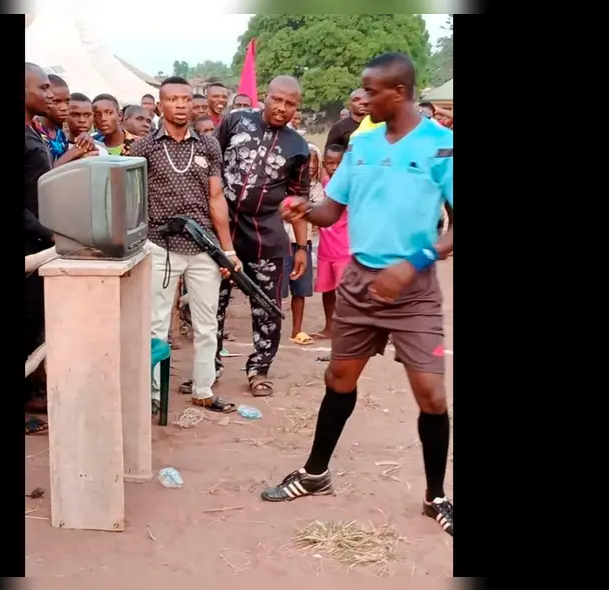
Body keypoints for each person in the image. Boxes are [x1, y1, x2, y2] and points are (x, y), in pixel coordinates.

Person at [262, 53, 454, 537]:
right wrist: (303, 208)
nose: (363, 98)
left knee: (431, 394)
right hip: (359, 285)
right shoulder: (362, 145)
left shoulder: (442, 147)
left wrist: (414, 263)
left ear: (401, 92)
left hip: (414, 290)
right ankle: (315, 473)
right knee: (339, 378)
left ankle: (436, 496)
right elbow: (332, 209)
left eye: (372, 91)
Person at [130, 77, 242, 414]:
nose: (180, 105)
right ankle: (152, 394)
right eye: (172, 99)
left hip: (202, 246)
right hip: (160, 244)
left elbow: (216, 198)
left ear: (196, 106)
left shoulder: (208, 145)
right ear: (160, 105)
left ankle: (203, 390)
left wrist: (228, 250)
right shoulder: (144, 147)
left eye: (185, 100)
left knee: (207, 324)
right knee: (156, 324)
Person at [214, 75, 310, 397]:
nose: (282, 108)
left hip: (265, 235)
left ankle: (259, 370)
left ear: (297, 106)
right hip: (222, 231)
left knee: (267, 307)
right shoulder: (235, 121)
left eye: (290, 103)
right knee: (213, 304)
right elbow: (213, 168)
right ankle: (208, 369)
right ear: (265, 97)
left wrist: (301, 248)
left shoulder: (298, 147)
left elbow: (298, 201)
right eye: (277, 99)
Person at [23, 63, 55, 435]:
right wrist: (49, 233)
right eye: (42, 87)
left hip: (36, 240)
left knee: (31, 325)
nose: (48, 94)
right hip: (29, 242)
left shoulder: (34, 132)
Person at [283, 144, 324, 346]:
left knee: (300, 290)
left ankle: (296, 330)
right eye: (307, 163)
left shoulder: (316, 189)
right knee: (277, 290)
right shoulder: (283, 186)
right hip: (282, 242)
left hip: (302, 243)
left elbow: (317, 212)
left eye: (314, 163)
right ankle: (269, 327)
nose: (310, 167)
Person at [312, 144, 348, 339]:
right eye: (331, 163)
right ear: (324, 164)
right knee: (327, 291)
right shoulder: (323, 184)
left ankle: (347, 329)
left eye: (339, 164)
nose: (335, 168)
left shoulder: (351, 187)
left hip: (345, 249)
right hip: (326, 249)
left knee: (346, 293)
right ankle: (330, 326)